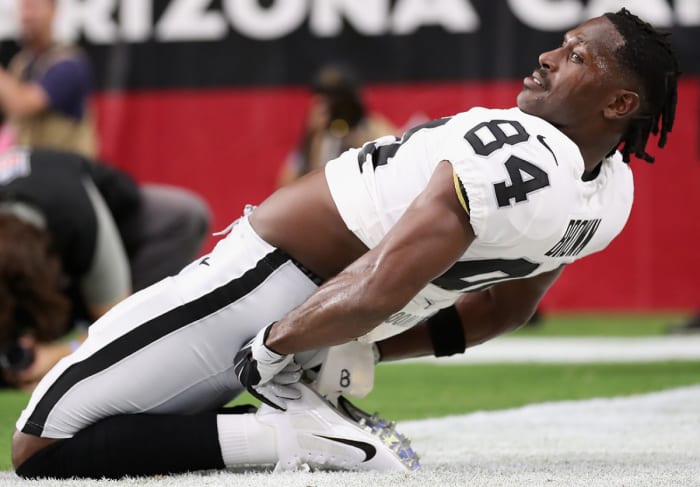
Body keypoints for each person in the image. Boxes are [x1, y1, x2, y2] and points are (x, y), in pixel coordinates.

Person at [10, 8, 679, 479]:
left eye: (577, 57)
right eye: (562, 44)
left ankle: (286, 433)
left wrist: (275, 346)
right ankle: (294, 422)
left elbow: (380, 280)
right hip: (313, 312)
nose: (548, 58)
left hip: (262, 288)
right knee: (105, 393)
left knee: (42, 442)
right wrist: (365, 348)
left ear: (619, 104)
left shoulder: (513, 156)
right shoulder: (608, 194)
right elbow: (504, 310)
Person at [0, 147, 211, 390]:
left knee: (185, 214)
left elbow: (115, 325)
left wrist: (59, 354)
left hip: (108, 230)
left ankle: (147, 334)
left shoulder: (80, 219)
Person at [0, 0, 98, 158]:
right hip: (28, 168)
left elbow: (23, 104)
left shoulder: (69, 63)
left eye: (34, 7)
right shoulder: (20, 65)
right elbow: (11, 123)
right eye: (24, 8)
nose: (28, 16)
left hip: (66, 169)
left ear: (53, 10)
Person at [277, 63, 398, 187]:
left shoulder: (375, 130)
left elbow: (395, 174)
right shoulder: (318, 136)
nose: (335, 110)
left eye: (338, 102)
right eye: (325, 102)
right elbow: (286, 185)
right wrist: (308, 138)